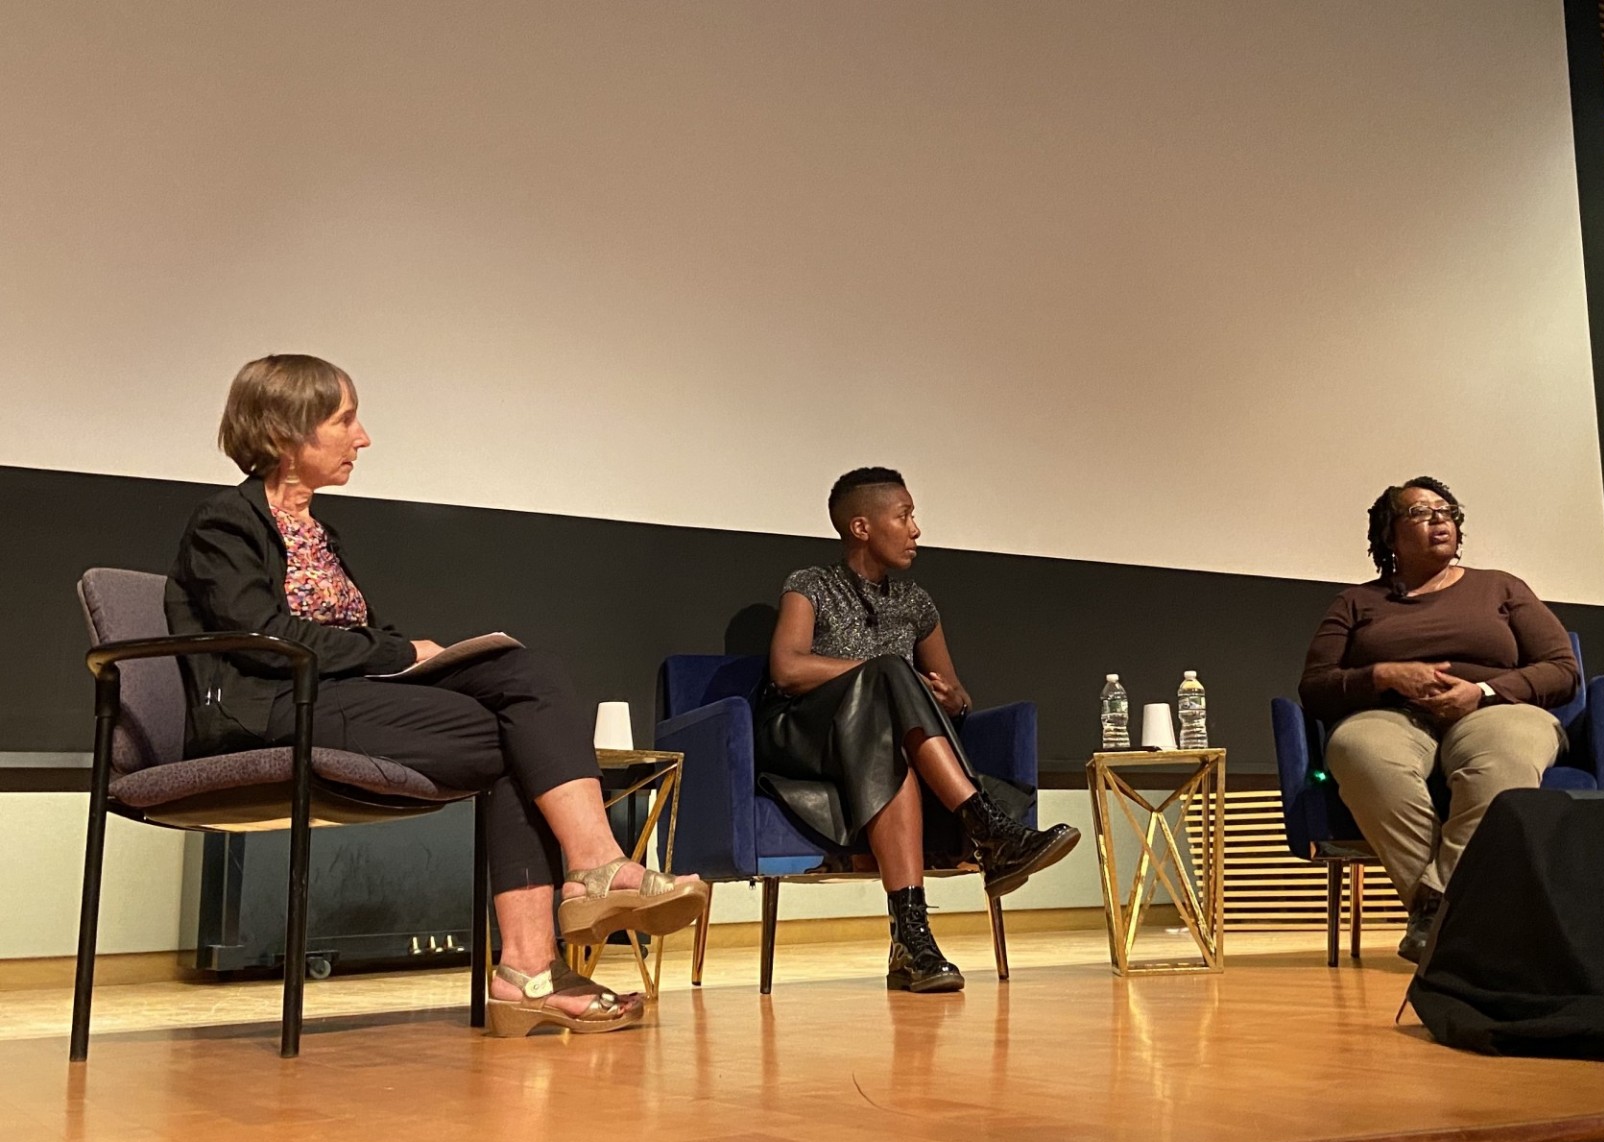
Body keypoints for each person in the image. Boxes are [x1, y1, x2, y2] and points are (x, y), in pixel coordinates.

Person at [167, 353, 708, 1036]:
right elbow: (263, 638)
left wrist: (427, 655)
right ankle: (543, 950)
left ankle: (564, 915)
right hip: (276, 712)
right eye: (344, 421)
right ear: (285, 433)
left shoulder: (318, 532)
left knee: (528, 672)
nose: (362, 438)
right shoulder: (226, 522)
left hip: (346, 696)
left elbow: (350, 632)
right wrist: (400, 652)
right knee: (520, 739)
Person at [759, 467, 1080, 993]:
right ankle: (987, 826)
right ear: (861, 527)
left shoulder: (916, 602)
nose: (916, 529)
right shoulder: (810, 584)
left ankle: (914, 941)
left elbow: (953, 692)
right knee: (887, 674)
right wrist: (882, 671)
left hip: (878, 744)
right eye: (904, 515)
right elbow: (788, 670)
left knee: (890, 739)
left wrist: (953, 697)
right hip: (806, 736)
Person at [1299, 476, 1578, 963]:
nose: (1439, 518)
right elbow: (1316, 687)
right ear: (1390, 536)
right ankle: (1455, 915)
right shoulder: (1356, 603)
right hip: (1392, 715)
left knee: (1506, 755)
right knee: (1358, 752)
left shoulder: (1502, 586)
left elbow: (1562, 669)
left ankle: (1435, 911)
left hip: (1494, 709)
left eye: (1446, 510)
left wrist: (1484, 691)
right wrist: (1383, 674)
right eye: (1420, 512)